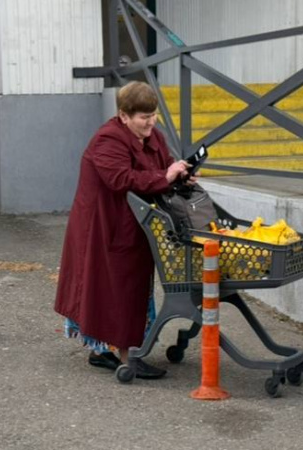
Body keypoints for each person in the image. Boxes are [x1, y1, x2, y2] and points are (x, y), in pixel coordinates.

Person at [54, 81, 195, 380]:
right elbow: (121, 179)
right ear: (123, 115)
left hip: (131, 221)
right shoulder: (107, 140)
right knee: (117, 287)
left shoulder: (151, 135)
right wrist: (165, 176)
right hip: (103, 225)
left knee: (124, 286)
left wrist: (180, 174)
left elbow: (164, 164)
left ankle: (104, 351)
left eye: (153, 115)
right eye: (144, 117)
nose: (151, 122)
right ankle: (128, 357)